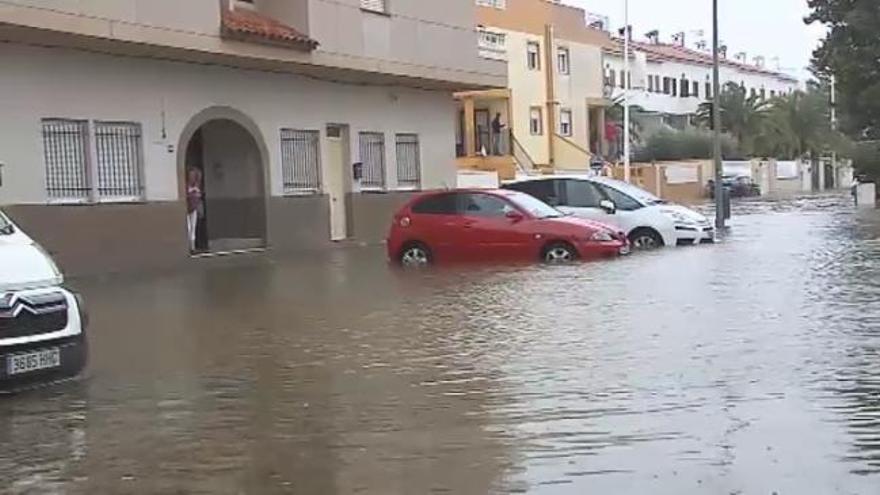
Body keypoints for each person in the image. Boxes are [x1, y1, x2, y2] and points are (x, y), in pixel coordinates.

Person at [186, 167, 203, 253]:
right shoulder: (186, 186)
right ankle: (189, 246)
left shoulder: (197, 186)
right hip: (186, 209)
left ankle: (192, 247)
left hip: (193, 209)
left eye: (193, 175)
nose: (191, 177)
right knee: (188, 228)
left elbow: (199, 198)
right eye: (190, 175)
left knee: (193, 228)